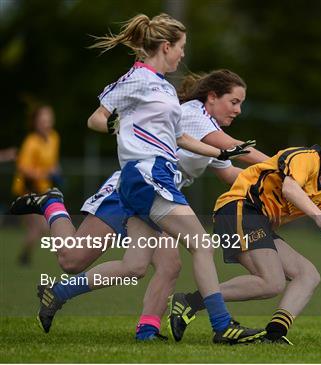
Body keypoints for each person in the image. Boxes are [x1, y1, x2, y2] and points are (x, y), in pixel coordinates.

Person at [10, 13, 263, 344]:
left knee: (137, 264)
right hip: (146, 175)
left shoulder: (166, 89)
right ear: (166, 46)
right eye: (181, 47)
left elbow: (179, 138)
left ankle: (137, 328)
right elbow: (96, 119)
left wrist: (220, 154)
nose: (183, 55)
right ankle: (222, 325)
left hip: (150, 178)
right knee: (200, 244)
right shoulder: (137, 79)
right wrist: (113, 124)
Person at [169, 117, 321, 344]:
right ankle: (191, 302)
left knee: (308, 275)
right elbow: (290, 188)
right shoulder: (305, 158)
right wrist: (318, 215)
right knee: (271, 282)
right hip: (238, 207)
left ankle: (274, 334)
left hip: (257, 221)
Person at [11, 105, 61, 265]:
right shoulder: (31, 142)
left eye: (49, 118)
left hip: (43, 189)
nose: (46, 122)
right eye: (43, 119)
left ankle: (24, 257)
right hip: (28, 189)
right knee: (44, 227)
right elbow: (22, 167)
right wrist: (41, 174)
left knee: (38, 228)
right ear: (36, 122)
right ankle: (66, 259)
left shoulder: (54, 137)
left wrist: (55, 170)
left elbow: (52, 163)